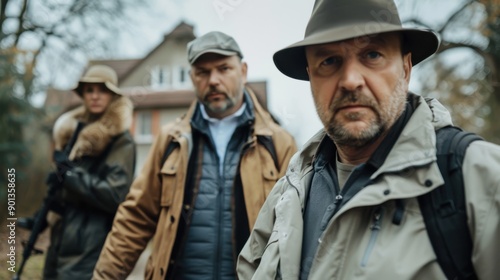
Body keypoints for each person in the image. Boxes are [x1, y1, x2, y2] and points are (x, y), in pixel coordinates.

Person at [237, 0, 500, 279]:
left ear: (405, 68)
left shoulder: (480, 179)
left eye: (372, 55)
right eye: (329, 61)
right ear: (311, 77)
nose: (350, 80)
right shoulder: (289, 191)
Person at [93, 31, 297, 280]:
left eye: (224, 69)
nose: (213, 80)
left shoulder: (277, 143)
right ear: (192, 78)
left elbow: (295, 229)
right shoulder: (170, 140)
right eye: (203, 72)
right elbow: (136, 218)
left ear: (243, 71)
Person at [37, 64, 136, 279]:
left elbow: (114, 194)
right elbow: (66, 192)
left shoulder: (120, 140)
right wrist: (44, 214)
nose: (95, 96)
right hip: (61, 238)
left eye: (102, 90)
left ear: (112, 95)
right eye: (89, 90)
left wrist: (70, 176)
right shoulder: (74, 132)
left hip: (92, 243)